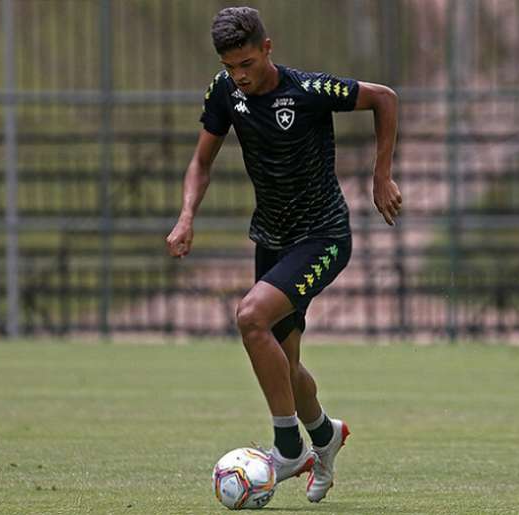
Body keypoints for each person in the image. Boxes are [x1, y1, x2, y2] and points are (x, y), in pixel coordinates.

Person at [165, 6, 401, 503]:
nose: (240, 76)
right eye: (231, 67)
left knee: (250, 317)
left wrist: (381, 175)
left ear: (267, 48)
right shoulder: (225, 92)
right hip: (271, 239)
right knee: (286, 369)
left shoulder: (308, 91)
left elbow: (384, 98)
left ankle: (289, 448)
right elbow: (200, 162)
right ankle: (325, 435)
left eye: (247, 63)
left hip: (323, 238)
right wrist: (187, 216)